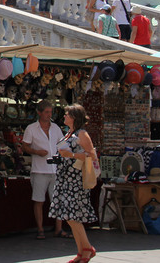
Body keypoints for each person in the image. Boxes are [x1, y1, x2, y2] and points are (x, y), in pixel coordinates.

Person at [49, 104, 98, 263]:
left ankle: (87, 249)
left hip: (75, 180)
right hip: (65, 179)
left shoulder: (82, 134)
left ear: (74, 117)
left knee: (73, 216)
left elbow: (92, 156)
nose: (64, 117)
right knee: (69, 217)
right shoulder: (68, 134)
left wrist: (70, 154)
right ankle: (82, 250)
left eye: (67, 114)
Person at [21, 100, 68, 240]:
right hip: (40, 170)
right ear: (39, 113)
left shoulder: (56, 128)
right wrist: (36, 151)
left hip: (55, 170)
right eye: (46, 112)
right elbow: (25, 146)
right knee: (39, 200)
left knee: (57, 200)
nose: (49, 115)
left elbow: (62, 145)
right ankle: (40, 229)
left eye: (50, 112)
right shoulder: (31, 128)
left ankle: (58, 228)